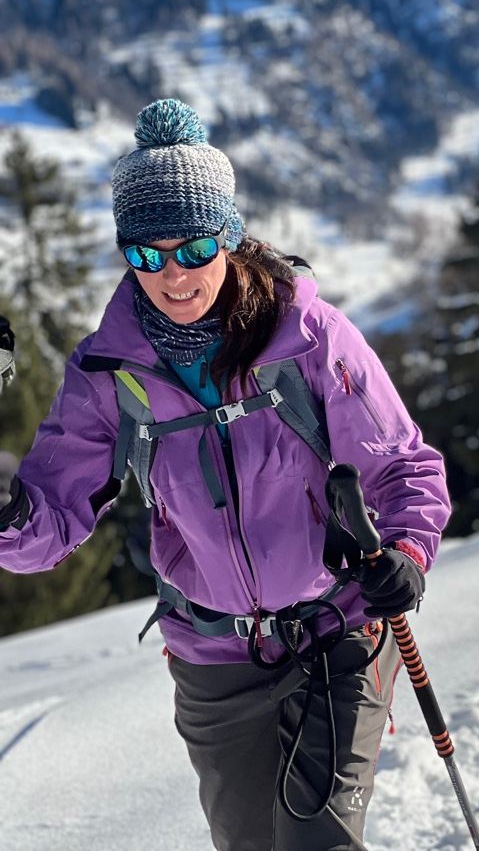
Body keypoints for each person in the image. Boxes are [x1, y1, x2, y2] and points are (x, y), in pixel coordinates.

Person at [0, 98, 451, 851]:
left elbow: (401, 465)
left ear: (230, 237)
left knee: (318, 842)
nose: (171, 273)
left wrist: (405, 551)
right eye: (145, 254)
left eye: (193, 248)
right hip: (212, 656)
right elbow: (41, 528)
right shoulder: (108, 373)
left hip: (336, 629)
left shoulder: (307, 335)